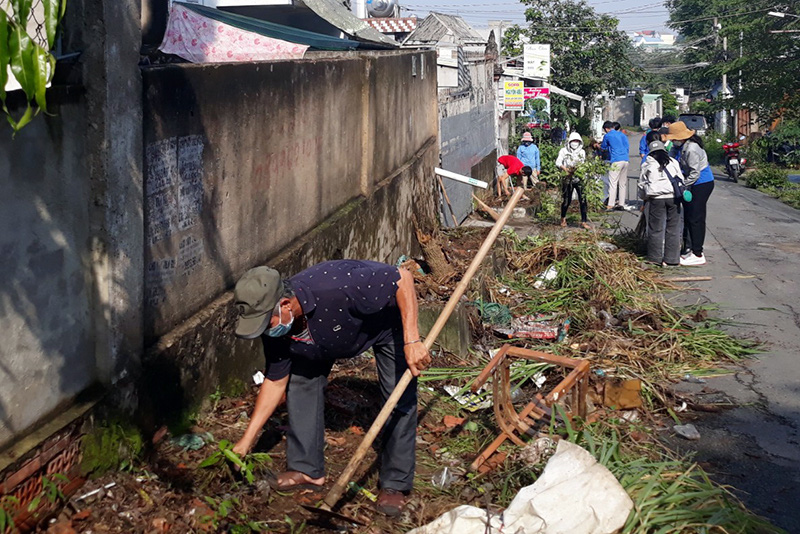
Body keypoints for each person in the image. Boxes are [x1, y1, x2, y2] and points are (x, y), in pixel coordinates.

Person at [231, 261, 431, 516]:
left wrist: (412, 339)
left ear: (284, 305)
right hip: (322, 339)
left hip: (383, 324)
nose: (265, 331)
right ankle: (306, 469)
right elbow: (275, 381)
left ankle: (395, 484)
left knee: (398, 396)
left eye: (264, 323)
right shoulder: (277, 328)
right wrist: (246, 441)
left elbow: (402, 278)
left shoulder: (338, 286)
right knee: (300, 383)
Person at [666, 121, 714, 266]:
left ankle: (698, 253)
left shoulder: (692, 148)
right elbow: (672, 160)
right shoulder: (678, 147)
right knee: (687, 217)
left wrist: (681, 186)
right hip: (691, 183)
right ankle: (688, 249)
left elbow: (695, 173)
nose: (672, 141)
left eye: (674, 139)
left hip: (701, 183)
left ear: (681, 138)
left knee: (696, 218)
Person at [638, 140, 683, 266]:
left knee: (656, 229)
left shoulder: (648, 164)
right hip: (674, 197)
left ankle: (655, 258)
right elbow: (681, 179)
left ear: (651, 153)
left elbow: (642, 184)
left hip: (656, 199)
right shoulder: (674, 162)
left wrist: (643, 198)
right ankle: (672, 259)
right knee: (673, 228)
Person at [556, 132, 590, 229]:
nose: (575, 143)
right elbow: (558, 162)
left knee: (583, 200)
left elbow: (582, 163)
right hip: (567, 178)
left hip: (579, 178)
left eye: (577, 141)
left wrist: (578, 169)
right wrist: (566, 169)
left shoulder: (582, 152)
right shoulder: (563, 151)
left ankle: (584, 221)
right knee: (567, 200)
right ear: (569, 142)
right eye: (573, 141)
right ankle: (563, 218)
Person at [600, 120, 630, 210]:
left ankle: (611, 204)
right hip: (625, 159)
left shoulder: (607, 135)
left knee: (613, 183)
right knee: (622, 183)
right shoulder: (621, 134)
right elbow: (627, 146)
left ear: (606, 129)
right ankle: (621, 204)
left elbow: (603, 147)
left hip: (616, 160)